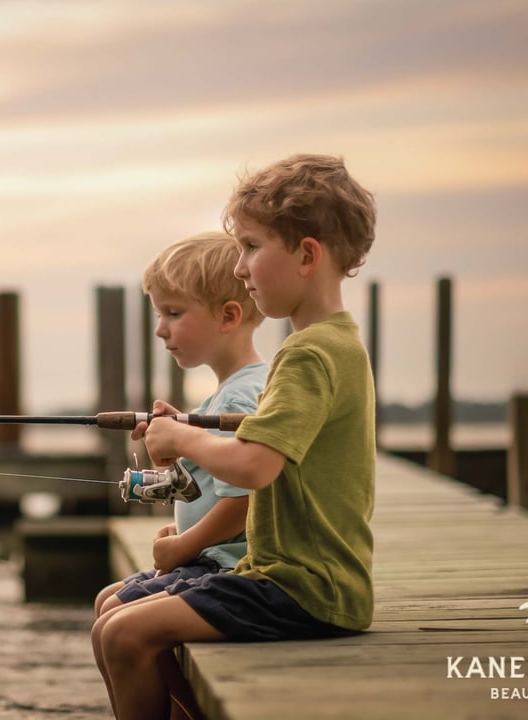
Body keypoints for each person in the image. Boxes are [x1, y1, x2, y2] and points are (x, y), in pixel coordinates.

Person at [91, 154, 377, 720]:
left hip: (303, 588)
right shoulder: (337, 343)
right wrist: (190, 428)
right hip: (296, 578)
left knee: (124, 634)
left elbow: (255, 467)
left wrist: (180, 438)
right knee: (116, 624)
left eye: (250, 247)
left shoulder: (308, 354)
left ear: (306, 256)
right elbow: (262, 444)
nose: (240, 268)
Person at [94, 232, 267, 619]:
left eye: (173, 313)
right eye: (159, 315)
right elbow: (214, 480)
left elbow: (245, 502)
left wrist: (186, 545)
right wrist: (182, 446)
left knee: (115, 611)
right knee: (108, 599)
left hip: (225, 566)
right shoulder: (235, 391)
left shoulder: (237, 399)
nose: (160, 329)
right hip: (214, 554)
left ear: (228, 317)